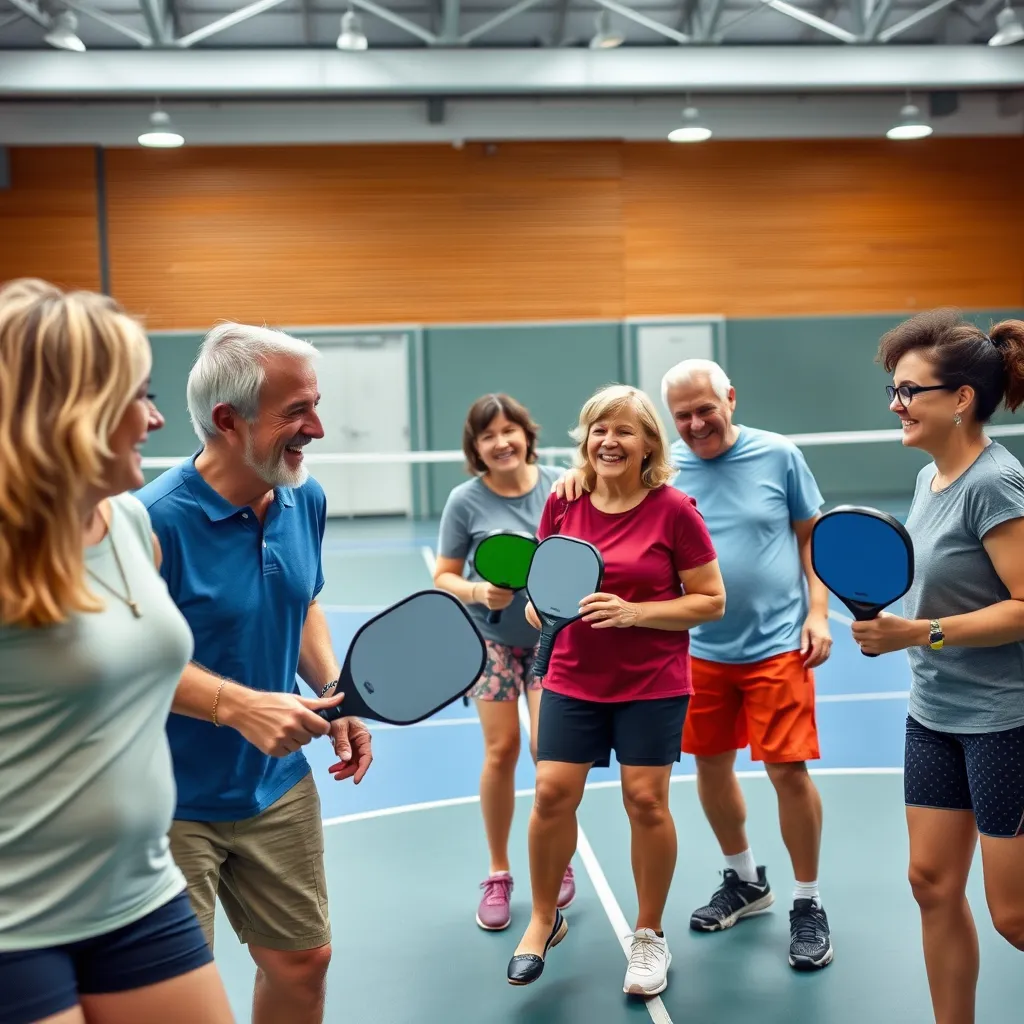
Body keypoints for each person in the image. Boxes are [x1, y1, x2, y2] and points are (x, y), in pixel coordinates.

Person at [0, 279, 235, 1024]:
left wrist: (241, 704)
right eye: (140, 396)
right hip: (14, 924)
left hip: (137, 894)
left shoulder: (129, 522)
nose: (157, 419)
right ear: (74, 412)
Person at [555, 358, 835, 972]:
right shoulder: (662, 474)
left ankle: (808, 902)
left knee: (788, 772)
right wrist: (576, 477)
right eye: (682, 415)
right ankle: (744, 880)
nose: (696, 423)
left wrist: (819, 612)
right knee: (711, 770)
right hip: (696, 652)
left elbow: (811, 536)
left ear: (729, 398)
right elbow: (603, 485)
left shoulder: (778, 456)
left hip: (778, 643)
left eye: (705, 409)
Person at [135, 322, 374, 1024]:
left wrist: (336, 695)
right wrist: (238, 706)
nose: (318, 428)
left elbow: (300, 602)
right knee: (177, 999)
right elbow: (127, 664)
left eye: (316, 405)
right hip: (167, 802)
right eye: (297, 412)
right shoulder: (150, 523)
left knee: (303, 961)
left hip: (276, 788)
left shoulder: (305, 498)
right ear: (226, 421)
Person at [507, 384, 725, 997]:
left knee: (646, 802)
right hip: (573, 674)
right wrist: (537, 609)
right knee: (551, 794)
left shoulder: (676, 510)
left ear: (648, 443)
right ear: (586, 439)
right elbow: (541, 593)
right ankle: (544, 921)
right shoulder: (562, 502)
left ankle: (649, 934)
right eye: (600, 429)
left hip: (651, 681)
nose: (610, 441)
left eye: (625, 430)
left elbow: (711, 600)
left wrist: (635, 614)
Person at [851, 309, 1024, 1024]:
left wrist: (919, 631)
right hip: (934, 716)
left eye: (908, 390)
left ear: (960, 400)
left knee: (1014, 915)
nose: (897, 404)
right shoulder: (929, 483)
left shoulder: (996, 483)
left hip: (1003, 723)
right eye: (893, 390)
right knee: (929, 882)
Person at [433, 394, 576, 932]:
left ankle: (556, 859)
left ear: (526, 433)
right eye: (487, 435)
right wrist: (475, 590)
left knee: (549, 752)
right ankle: (498, 872)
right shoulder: (465, 501)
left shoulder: (562, 486)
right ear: (476, 447)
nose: (500, 442)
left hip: (550, 638)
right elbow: (442, 573)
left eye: (508, 430)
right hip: (491, 642)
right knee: (501, 751)